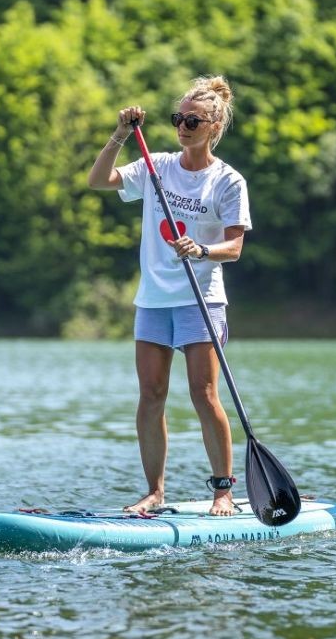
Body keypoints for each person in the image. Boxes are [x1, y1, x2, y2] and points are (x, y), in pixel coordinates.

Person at [88, 76, 252, 516]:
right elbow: (98, 180)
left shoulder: (228, 181)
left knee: (204, 395)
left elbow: (235, 247)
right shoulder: (156, 165)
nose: (182, 126)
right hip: (154, 300)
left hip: (201, 299)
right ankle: (154, 492)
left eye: (192, 121)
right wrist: (120, 135)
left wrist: (201, 250)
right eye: (178, 118)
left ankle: (223, 491)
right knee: (151, 395)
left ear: (213, 127)